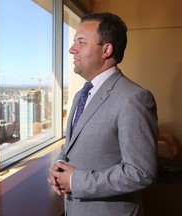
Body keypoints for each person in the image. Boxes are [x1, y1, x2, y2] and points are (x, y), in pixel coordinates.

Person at [48, 12, 158, 216]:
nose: (72, 49)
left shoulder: (134, 98)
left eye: (81, 42)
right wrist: (59, 166)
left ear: (106, 50)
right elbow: (74, 144)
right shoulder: (81, 94)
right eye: (74, 42)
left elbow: (141, 172)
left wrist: (75, 181)